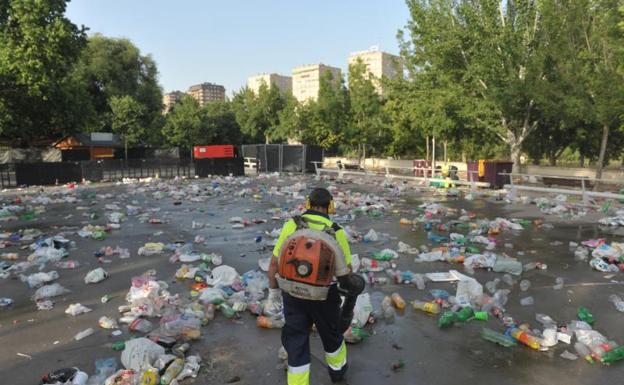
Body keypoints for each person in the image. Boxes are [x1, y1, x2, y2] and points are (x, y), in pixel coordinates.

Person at [266, 187, 362, 385]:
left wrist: (273, 293)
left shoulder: (291, 225)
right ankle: (337, 373)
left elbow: (274, 264)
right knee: (332, 337)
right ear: (331, 206)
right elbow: (347, 271)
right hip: (325, 296)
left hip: (292, 294)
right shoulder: (336, 231)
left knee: (296, 341)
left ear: (307, 204)